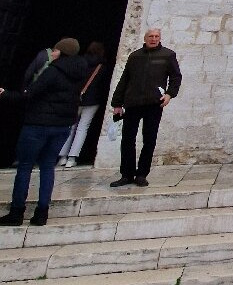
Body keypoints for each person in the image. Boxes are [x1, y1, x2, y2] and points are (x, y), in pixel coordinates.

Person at [0, 38, 88, 226]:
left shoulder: (53, 71)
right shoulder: (80, 72)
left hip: (38, 124)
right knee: (48, 167)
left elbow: (30, 93)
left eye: (56, 49)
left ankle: (16, 212)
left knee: (25, 166)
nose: (52, 52)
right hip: (62, 126)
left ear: (62, 51)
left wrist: (5, 94)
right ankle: (42, 212)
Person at [109, 28, 182, 188]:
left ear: (160, 38)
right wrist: (117, 103)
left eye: (156, 36)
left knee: (149, 139)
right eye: (151, 36)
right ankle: (126, 174)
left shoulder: (168, 55)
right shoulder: (135, 56)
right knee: (128, 139)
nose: (153, 39)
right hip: (133, 102)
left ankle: (142, 174)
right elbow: (124, 80)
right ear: (145, 38)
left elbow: (176, 77)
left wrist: (169, 94)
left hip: (154, 103)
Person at [58, 41, 109, 167]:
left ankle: (62, 156)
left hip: (76, 98)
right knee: (83, 127)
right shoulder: (102, 66)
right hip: (93, 100)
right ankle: (72, 157)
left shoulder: (79, 62)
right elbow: (103, 85)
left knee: (70, 126)